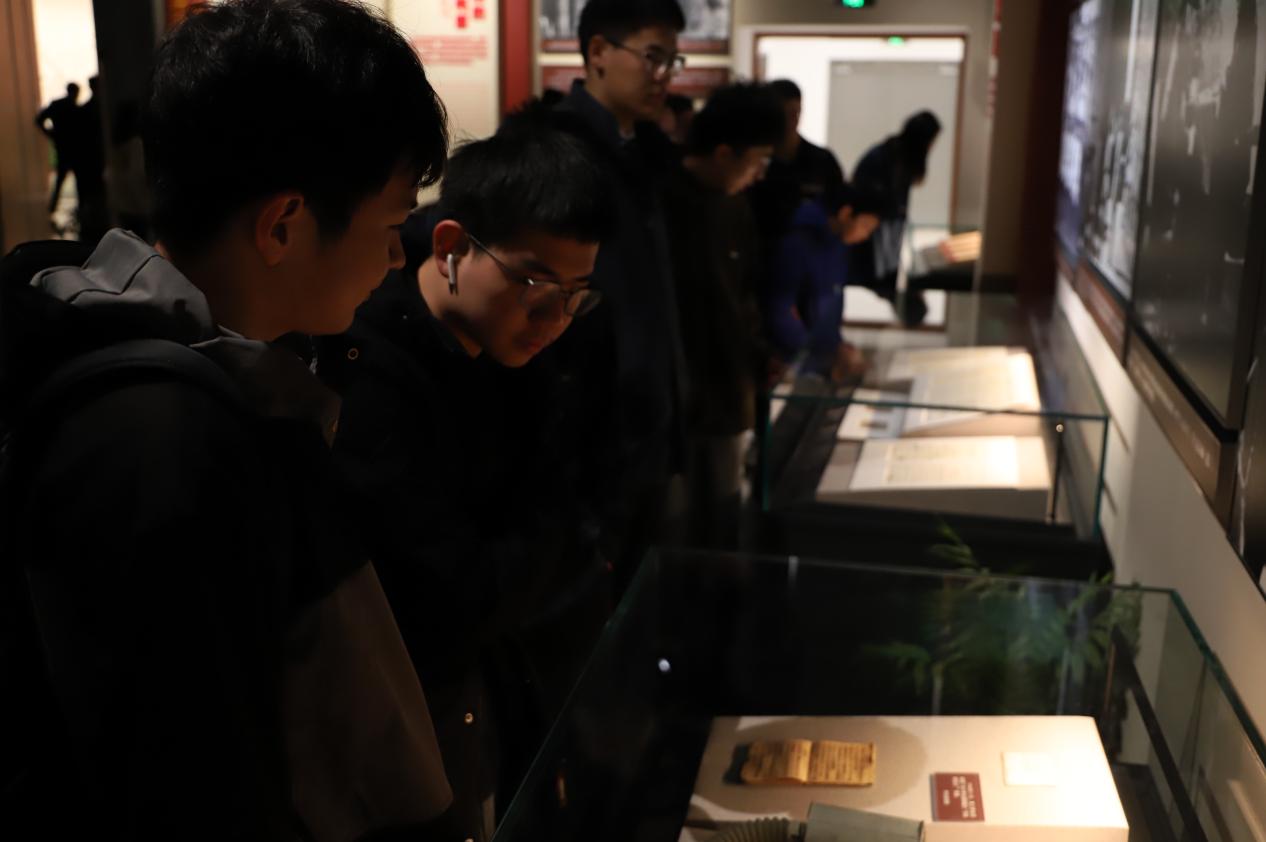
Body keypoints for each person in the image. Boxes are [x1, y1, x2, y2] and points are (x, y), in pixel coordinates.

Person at [0, 1, 454, 838]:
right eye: (392, 226)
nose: (398, 257)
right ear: (284, 225)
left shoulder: (195, 380)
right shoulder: (161, 438)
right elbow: (195, 785)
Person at [316, 117, 615, 842]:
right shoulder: (370, 371)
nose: (556, 317)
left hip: (502, 694)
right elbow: (455, 599)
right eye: (535, 283)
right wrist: (547, 541)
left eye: (577, 293)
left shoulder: (516, 346)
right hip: (413, 730)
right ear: (451, 246)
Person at [554, 0, 689, 585]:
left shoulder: (644, 154)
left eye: (672, 62)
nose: (664, 76)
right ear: (598, 52)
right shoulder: (559, 152)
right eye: (653, 57)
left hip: (644, 419)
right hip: (589, 429)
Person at [662, 83, 782, 548]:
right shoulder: (664, 202)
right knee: (675, 524)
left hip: (727, 389)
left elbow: (745, 292)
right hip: (676, 398)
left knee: (725, 516)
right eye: (757, 161)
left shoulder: (734, 205)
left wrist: (758, 354)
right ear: (725, 152)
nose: (759, 174)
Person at [767, 189, 881, 384]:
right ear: (846, 214)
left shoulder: (838, 244)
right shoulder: (798, 243)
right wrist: (810, 353)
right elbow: (779, 308)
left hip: (821, 355)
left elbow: (831, 302)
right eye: (865, 226)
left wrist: (836, 345)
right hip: (792, 359)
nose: (865, 235)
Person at [748, 79, 851, 249]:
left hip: (813, 252)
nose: (792, 120)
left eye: (796, 112)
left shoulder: (822, 160)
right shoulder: (755, 162)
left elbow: (841, 205)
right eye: (784, 113)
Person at [850, 110, 942, 299]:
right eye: (931, 142)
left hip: (883, 244)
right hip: (871, 244)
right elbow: (874, 208)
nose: (931, 148)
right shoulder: (886, 159)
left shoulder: (897, 157)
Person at [35, 82, 81, 215]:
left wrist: (51, 134)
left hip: (62, 146)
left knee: (60, 180)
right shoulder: (74, 107)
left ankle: (52, 207)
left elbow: (39, 119)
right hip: (74, 148)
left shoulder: (57, 105)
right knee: (79, 180)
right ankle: (80, 208)